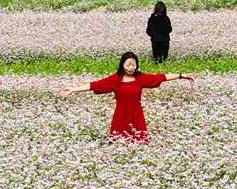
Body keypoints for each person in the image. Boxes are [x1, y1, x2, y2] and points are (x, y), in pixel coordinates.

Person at [58, 51, 194, 143]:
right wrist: (73, 89)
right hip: (121, 115)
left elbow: (161, 77)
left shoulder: (140, 78)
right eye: (128, 64)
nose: (131, 67)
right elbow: (95, 85)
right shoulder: (116, 79)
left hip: (136, 114)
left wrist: (181, 75)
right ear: (122, 65)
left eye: (133, 65)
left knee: (138, 142)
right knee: (119, 142)